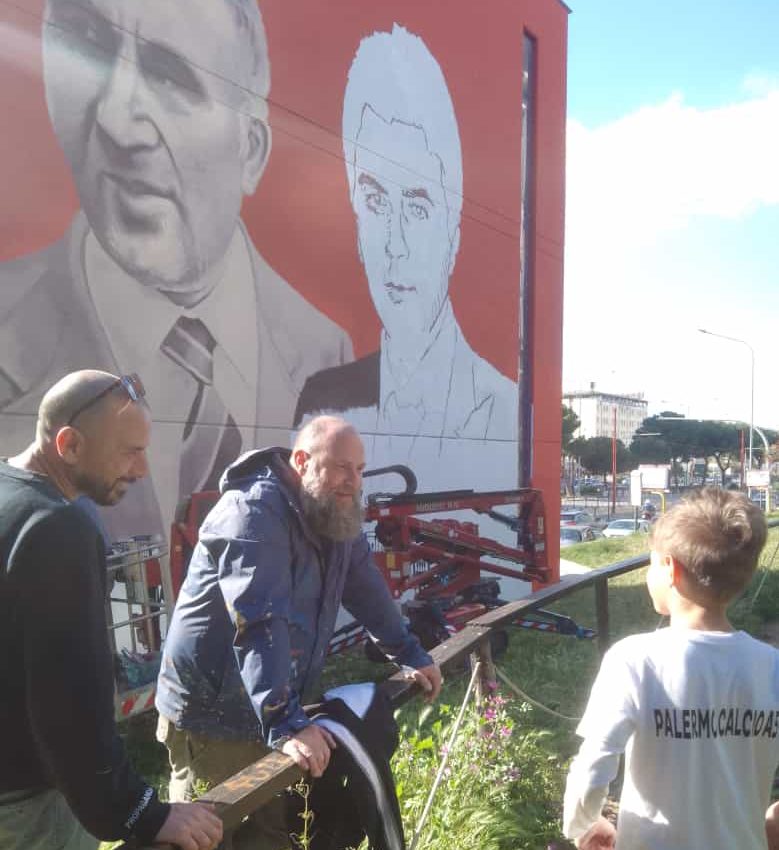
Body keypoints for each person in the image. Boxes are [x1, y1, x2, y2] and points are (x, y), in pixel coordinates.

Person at [0, 0, 352, 542]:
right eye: (87, 45)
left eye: (170, 76)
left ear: (251, 149)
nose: (116, 121)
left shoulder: (324, 351)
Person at [155, 415, 442, 848]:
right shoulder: (253, 512)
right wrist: (287, 723)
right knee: (213, 836)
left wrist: (410, 653)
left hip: (264, 706)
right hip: (212, 716)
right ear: (302, 460)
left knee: (269, 834)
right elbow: (258, 619)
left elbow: (365, 586)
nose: (353, 481)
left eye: (360, 470)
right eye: (342, 467)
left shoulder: (330, 510)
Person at [0, 370, 222, 850]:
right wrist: (137, 812)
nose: (142, 470)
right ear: (70, 445)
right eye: (130, 452)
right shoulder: (58, 527)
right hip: (30, 808)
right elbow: (69, 704)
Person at [293, 24, 517, 492]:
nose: (394, 244)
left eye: (417, 208)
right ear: (357, 222)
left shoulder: (504, 409)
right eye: (375, 203)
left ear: (453, 234)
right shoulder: (323, 401)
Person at [563, 487, 777, 849]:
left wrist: (582, 824)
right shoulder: (771, 666)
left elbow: (594, 766)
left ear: (669, 568)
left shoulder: (633, 659)